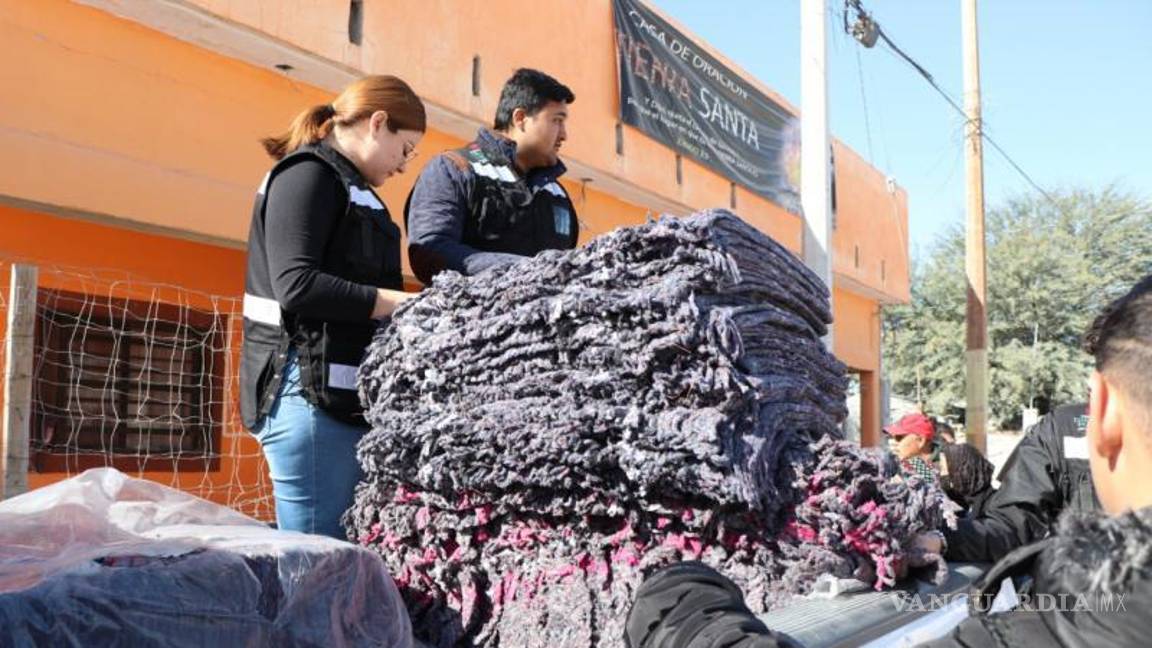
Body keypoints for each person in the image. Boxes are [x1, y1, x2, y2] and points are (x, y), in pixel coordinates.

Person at [624, 274, 1152, 648]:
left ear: (1102, 408)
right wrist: (944, 540)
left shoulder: (1097, 623)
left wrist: (678, 602)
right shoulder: (1059, 437)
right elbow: (1016, 523)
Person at [240, 75, 426, 538]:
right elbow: (296, 284)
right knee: (315, 568)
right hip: (305, 394)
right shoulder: (308, 175)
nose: (404, 165)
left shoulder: (353, 188)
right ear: (378, 124)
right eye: (405, 150)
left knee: (339, 567)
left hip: (341, 401)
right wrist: (400, 305)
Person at [405, 68, 578, 285]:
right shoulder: (454, 168)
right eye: (556, 120)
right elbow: (430, 250)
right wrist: (529, 272)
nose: (564, 134)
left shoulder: (557, 194)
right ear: (521, 118)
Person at [931, 402, 1099, 563]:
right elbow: (1011, 526)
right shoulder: (1060, 428)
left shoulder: (984, 500)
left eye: (946, 471)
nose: (943, 476)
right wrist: (940, 539)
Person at [938, 442, 995, 517]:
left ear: (960, 472)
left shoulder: (994, 508)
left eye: (942, 468)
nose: (940, 474)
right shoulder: (956, 500)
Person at [886, 412, 939, 484]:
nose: (893, 442)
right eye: (891, 437)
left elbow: (932, 482)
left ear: (920, 440)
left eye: (899, 437)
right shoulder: (909, 461)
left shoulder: (947, 462)